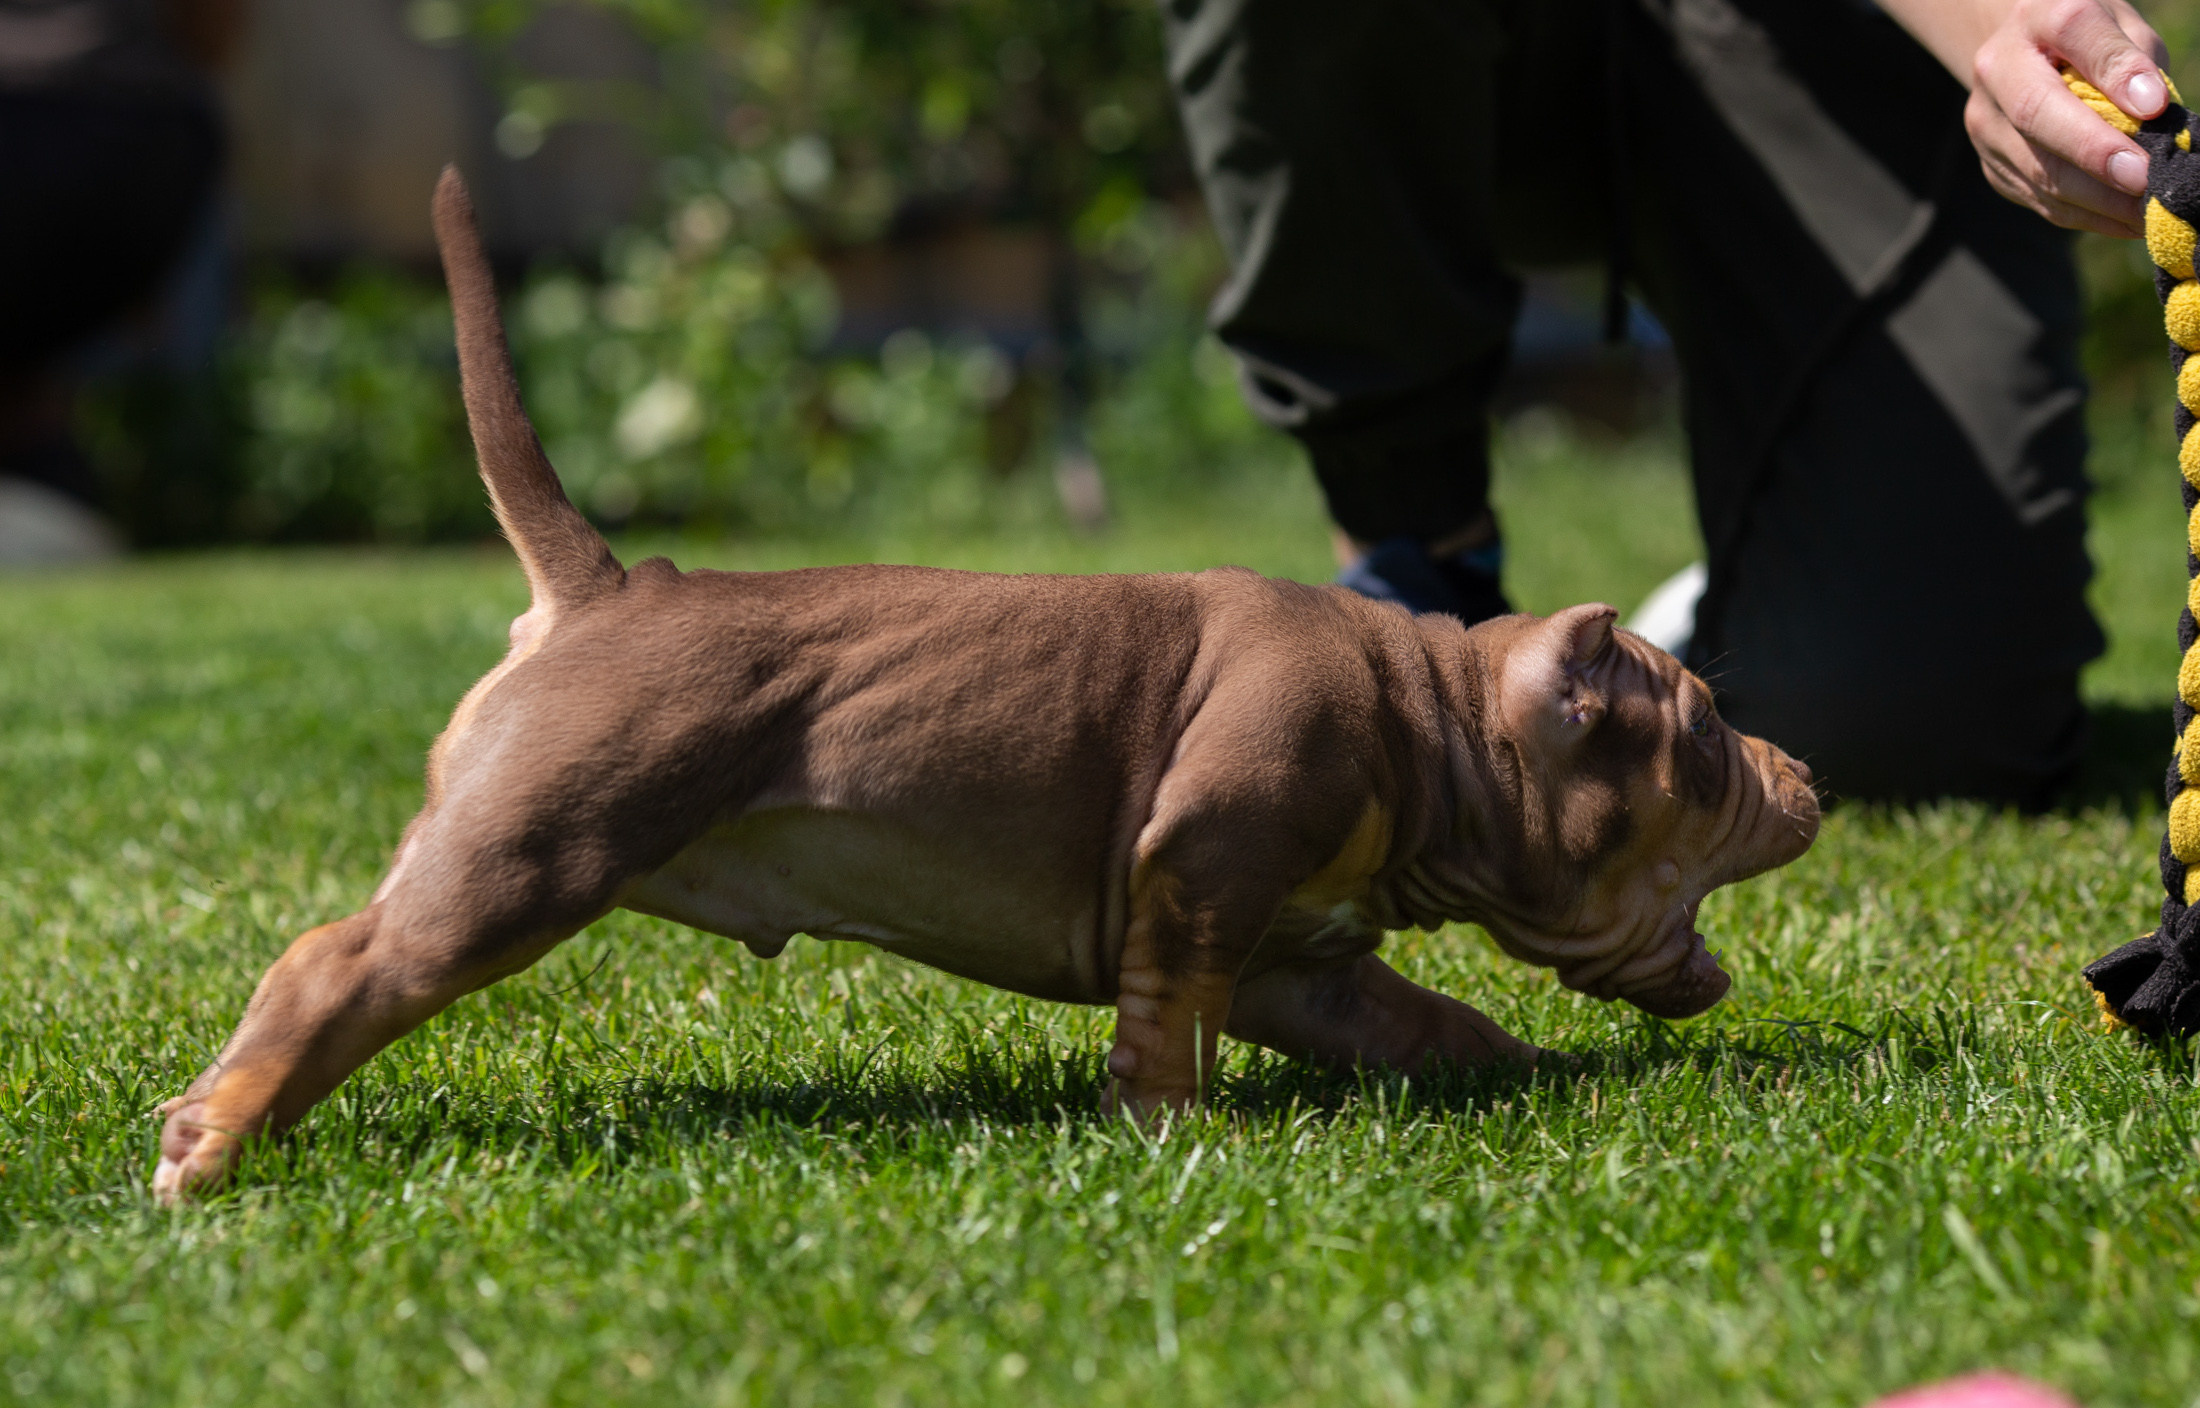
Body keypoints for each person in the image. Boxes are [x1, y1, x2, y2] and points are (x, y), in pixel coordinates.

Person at [1159, 0, 2172, 803]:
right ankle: (1418, 568)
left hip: (1846, 45)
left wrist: (2004, 19)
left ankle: (1745, 598)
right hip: (1490, 47)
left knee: (1918, 724)